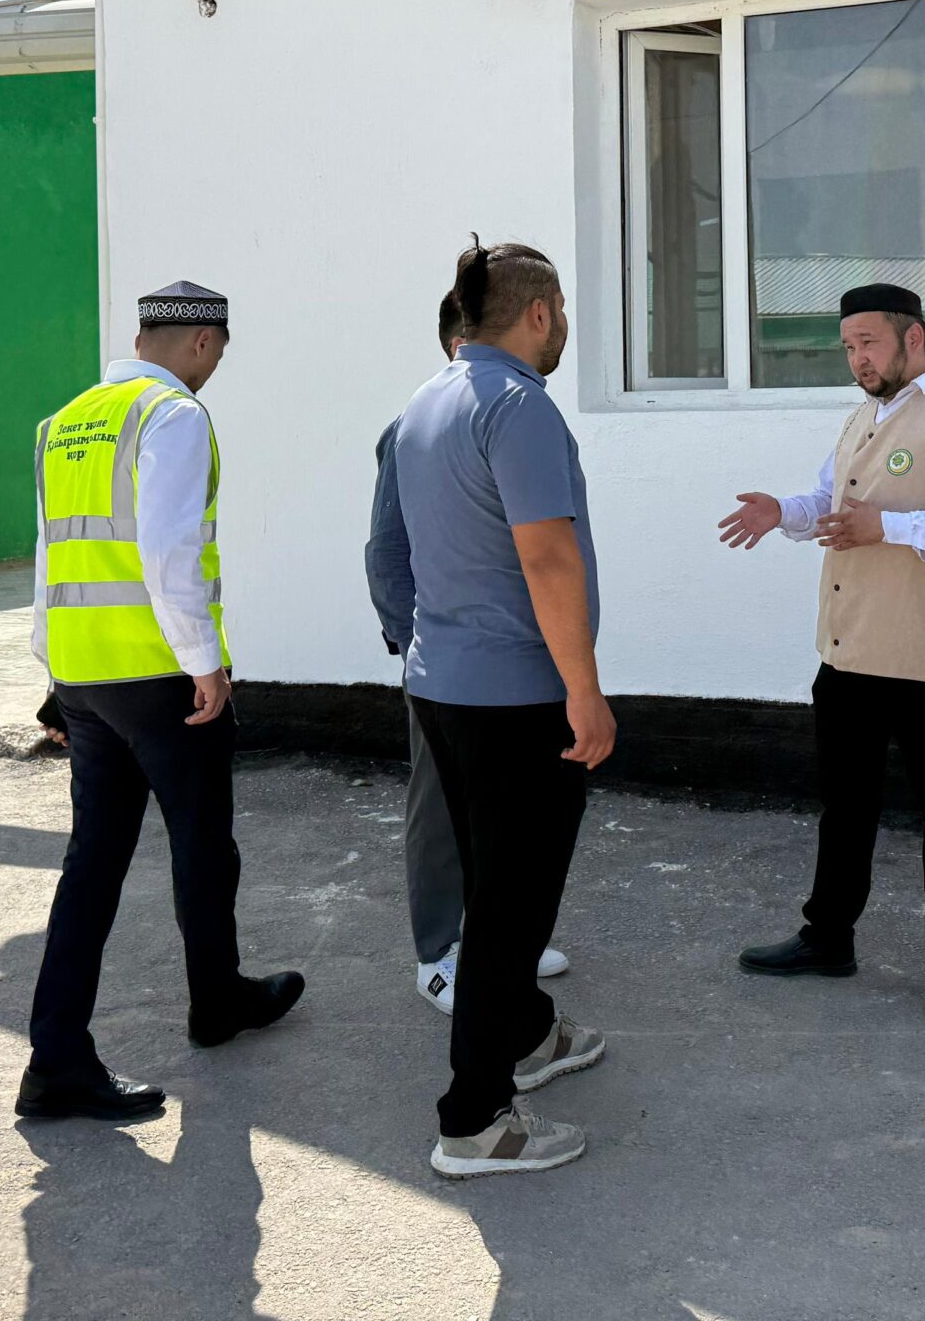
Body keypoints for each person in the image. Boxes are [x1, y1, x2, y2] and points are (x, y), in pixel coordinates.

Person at [14, 281, 305, 1121]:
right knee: (203, 847)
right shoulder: (173, 416)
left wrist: (56, 678)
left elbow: (48, 558)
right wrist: (204, 663)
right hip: (159, 678)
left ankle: (55, 1059)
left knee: (92, 867)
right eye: (218, 354)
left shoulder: (64, 422)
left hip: (86, 680)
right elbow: (169, 549)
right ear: (203, 342)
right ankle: (217, 1004)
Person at [719, 282, 925, 1025]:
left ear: (914, 337)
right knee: (845, 805)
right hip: (849, 651)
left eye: (868, 343)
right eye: (848, 346)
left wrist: (891, 529)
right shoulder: (860, 418)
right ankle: (829, 937)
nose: (857, 359)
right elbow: (833, 501)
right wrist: (783, 512)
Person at [394, 241, 617, 1178]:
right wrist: (584, 692)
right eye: (560, 312)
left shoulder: (428, 400)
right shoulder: (518, 406)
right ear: (538, 313)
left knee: (496, 888)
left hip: (443, 686)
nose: (563, 328)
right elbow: (546, 557)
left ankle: (527, 1033)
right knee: (509, 910)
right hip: (518, 696)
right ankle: (476, 1120)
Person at [367, 288, 572, 1013]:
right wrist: (410, 640)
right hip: (444, 664)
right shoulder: (418, 422)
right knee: (440, 814)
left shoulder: (506, 413)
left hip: (505, 667)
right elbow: (387, 549)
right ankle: (438, 952)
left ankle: (494, 941)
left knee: (499, 819)